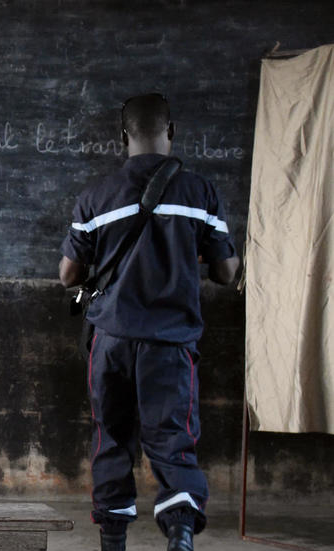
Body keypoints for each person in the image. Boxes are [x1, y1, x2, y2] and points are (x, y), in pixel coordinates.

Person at [59, 93, 239, 551]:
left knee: (112, 437)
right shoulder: (200, 192)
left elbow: (68, 275)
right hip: (170, 343)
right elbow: (225, 271)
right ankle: (179, 533)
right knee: (172, 439)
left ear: (123, 138)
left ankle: (113, 541)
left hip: (112, 340)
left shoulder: (96, 197)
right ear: (171, 132)